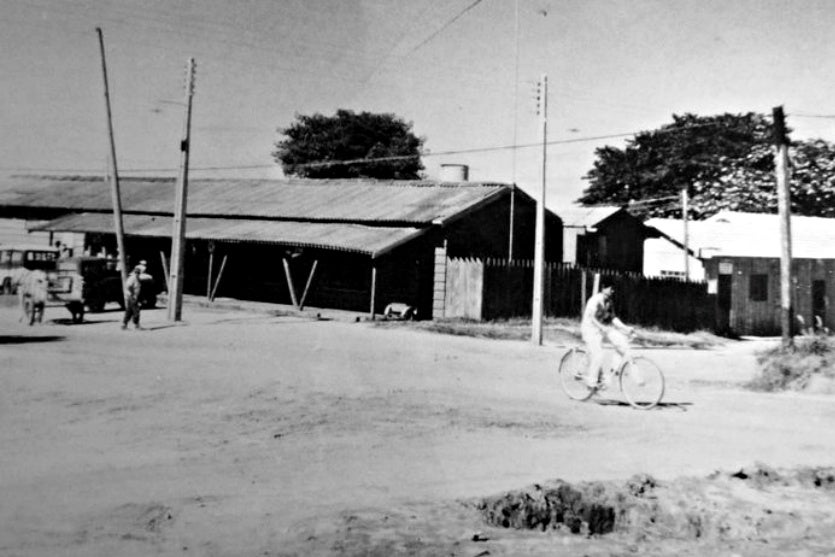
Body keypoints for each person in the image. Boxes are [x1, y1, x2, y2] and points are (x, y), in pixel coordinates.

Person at [580, 284, 634, 389]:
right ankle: (591, 383)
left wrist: (626, 328)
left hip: (601, 329)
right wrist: (602, 327)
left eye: (613, 289)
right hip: (589, 330)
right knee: (598, 355)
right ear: (603, 288)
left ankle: (614, 368)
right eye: (610, 288)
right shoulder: (595, 300)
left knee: (621, 341)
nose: (612, 291)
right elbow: (591, 317)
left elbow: (613, 319)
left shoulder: (609, 302)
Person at [122, 265, 143, 330]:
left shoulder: (137, 278)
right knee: (136, 311)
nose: (137, 273)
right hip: (132, 297)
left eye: (138, 272)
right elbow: (129, 286)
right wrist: (133, 294)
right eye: (136, 272)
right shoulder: (132, 278)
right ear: (134, 272)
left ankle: (124, 325)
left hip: (132, 296)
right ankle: (136, 325)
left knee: (129, 311)